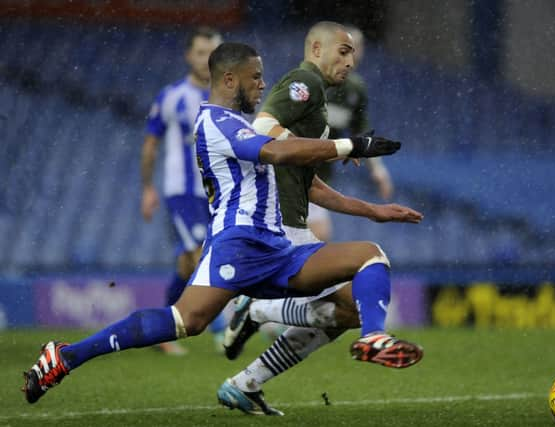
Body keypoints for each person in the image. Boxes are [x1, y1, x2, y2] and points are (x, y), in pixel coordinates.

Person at [22, 42, 419, 409]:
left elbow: (298, 171)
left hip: (279, 249)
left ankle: (369, 337)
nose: (263, 84)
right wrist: (349, 145)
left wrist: (371, 208)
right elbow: (275, 152)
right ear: (230, 79)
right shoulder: (214, 122)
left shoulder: (237, 123)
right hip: (239, 245)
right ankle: (66, 356)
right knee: (185, 322)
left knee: (369, 258)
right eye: (256, 77)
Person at [217, 22, 423, 416]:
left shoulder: (317, 105)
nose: (350, 61)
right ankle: (370, 336)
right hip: (276, 227)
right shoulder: (303, 82)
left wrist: (373, 210)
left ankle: (246, 383)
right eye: (342, 52)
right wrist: (338, 146)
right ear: (315, 48)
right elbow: (260, 130)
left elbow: (311, 185)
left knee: (347, 308)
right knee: (371, 258)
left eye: (353, 54)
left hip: (293, 225)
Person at [140, 27, 225, 354]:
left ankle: (160, 332)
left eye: (212, 53)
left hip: (217, 194)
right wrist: (148, 188)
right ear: (189, 55)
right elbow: (150, 145)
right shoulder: (171, 96)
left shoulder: (227, 98)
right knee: (199, 256)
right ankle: (223, 330)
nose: (206, 60)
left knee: (187, 267)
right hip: (182, 193)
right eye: (201, 53)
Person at [309, 24, 394, 241]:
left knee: (318, 238)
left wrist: (378, 169)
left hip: (320, 178)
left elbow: (362, 132)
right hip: (291, 173)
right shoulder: (310, 80)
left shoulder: (355, 89)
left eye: (357, 48)